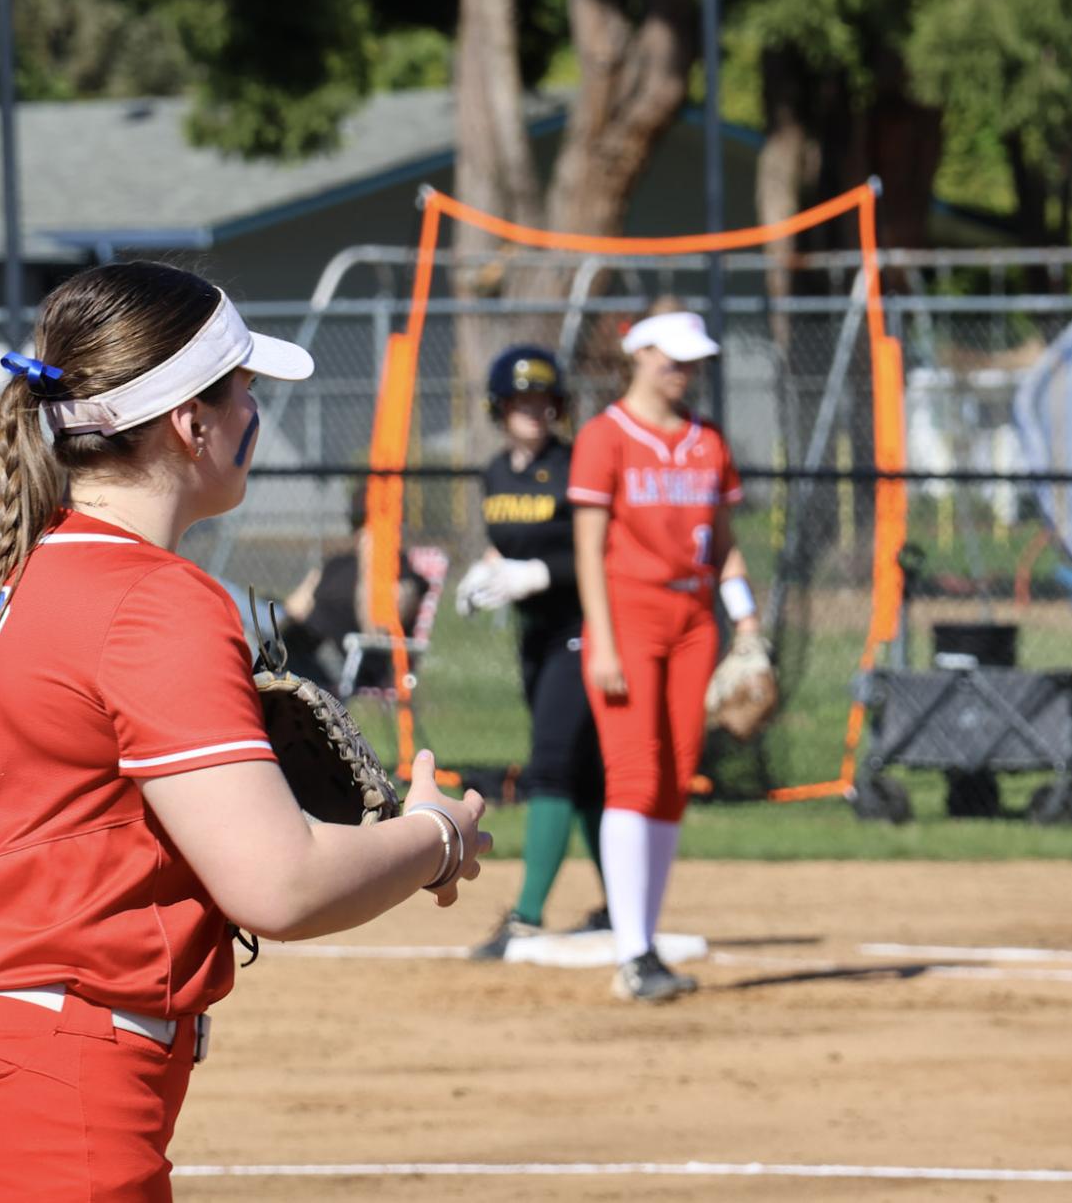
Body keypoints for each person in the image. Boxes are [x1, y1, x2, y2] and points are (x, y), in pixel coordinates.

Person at [0, 262, 490, 1201]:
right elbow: (281, 886)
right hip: (48, 1101)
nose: (254, 418)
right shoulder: (151, 599)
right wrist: (432, 840)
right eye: (243, 394)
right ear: (192, 425)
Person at [567, 308, 760, 1002]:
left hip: (693, 622)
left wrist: (745, 623)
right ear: (639, 355)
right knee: (634, 775)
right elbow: (588, 546)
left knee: (676, 776)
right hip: (629, 616)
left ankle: (643, 946)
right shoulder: (604, 436)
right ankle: (632, 951)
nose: (683, 370)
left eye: (691, 359)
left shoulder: (707, 441)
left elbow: (725, 540)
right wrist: (603, 641)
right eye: (671, 357)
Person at [456, 346, 608, 959]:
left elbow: (599, 549)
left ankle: (526, 915)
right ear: (500, 407)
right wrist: (486, 574)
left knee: (549, 765)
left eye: (544, 400)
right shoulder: (496, 472)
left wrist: (540, 574)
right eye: (521, 401)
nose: (534, 411)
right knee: (589, 778)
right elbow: (506, 546)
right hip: (536, 637)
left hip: (583, 627)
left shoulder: (574, 465)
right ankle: (620, 907)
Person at [277, 485, 430, 694]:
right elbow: (292, 610)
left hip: (345, 663)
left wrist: (370, 564)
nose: (362, 532)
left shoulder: (404, 575)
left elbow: (376, 629)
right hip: (299, 644)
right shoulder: (336, 564)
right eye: (359, 523)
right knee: (253, 629)